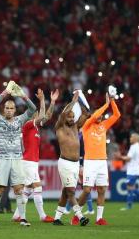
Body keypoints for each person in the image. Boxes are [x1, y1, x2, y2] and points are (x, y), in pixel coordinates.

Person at [0, 81, 36, 226]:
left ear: (15, 110)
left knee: (19, 189)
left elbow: (33, 108)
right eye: (7, 108)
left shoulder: (20, 120)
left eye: (12, 108)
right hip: (2, 159)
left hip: (17, 158)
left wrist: (23, 96)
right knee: (0, 190)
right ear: (4, 109)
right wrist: (5, 92)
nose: (9, 110)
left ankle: (22, 218)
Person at [12, 89, 59, 223]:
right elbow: (43, 116)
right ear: (33, 116)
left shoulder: (36, 128)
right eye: (37, 114)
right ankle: (42, 216)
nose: (40, 115)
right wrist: (42, 100)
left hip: (32, 162)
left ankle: (16, 215)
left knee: (27, 189)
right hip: (27, 161)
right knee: (37, 187)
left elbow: (48, 116)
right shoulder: (27, 125)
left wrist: (53, 101)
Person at [77, 93, 121, 225]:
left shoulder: (104, 126)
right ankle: (77, 214)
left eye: (102, 114)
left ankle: (99, 218)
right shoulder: (86, 126)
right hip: (90, 162)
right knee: (86, 190)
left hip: (102, 162)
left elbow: (117, 115)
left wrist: (112, 101)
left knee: (102, 190)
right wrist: (106, 105)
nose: (100, 116)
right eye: (99, 113)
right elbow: (95, 115)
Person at [52, 91, 89, 226]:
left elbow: (86, 115)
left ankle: (57, 218)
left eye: (73, 117)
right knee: (71, 192)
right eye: (69, 117)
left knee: (65, 193)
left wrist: (82, 102)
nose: (71, 119)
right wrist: (73, 101)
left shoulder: (75, 126)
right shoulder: (59, 126)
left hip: (75, 164)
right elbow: (62, 115)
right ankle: (80, 217)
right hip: (65, 163)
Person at [117, 133, 139, 210]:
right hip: (133, 170)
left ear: (136, 139)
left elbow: (128, 158)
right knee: (130, 187)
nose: (130, 138)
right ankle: (131, 205)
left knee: (129, 187)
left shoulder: (134, 147)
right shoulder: (137, 147)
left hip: (133, 170)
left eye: (132, 137)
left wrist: (120, 157)